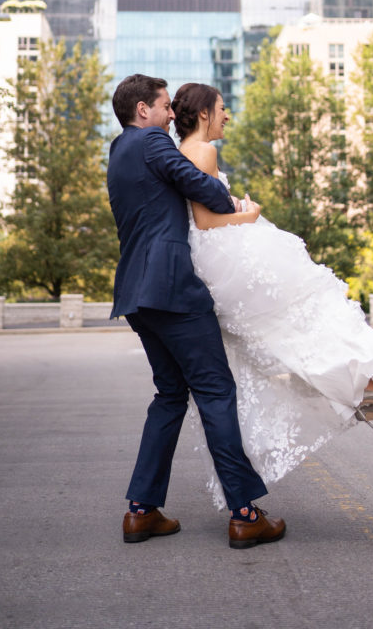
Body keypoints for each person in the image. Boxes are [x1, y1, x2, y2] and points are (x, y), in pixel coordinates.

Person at [171, 81, 373, 509]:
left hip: (213, 263)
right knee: (308, 311)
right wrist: (249, 213)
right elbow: (207, 222)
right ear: (204, 113)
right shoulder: (203, 151)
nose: (227, 116)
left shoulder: (184, 152)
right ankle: (366, 391)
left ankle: (366, 394)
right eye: (223, 109)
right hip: (226, 257)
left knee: (291, 336)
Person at [107, 74, 286, 549]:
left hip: (135, 293)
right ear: (143, 110)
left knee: (170, 394)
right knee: (214, 390)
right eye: (164, 106)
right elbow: (196, 184)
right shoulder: (151, 143)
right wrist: (237, 207)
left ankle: (141, 511)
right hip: (172, 290)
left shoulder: (118, 151)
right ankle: (246, 513)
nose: (171, 114)